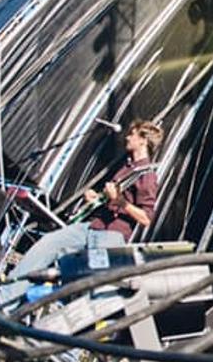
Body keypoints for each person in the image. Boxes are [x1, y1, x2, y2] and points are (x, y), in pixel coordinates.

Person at [10, 119, 162, 280]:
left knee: (90, 283)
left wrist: (120, 201)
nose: (127, 138)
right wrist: (97, 198)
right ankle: (4, 295)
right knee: (49, 244)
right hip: (93, 225)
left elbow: (146, 218)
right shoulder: (128, 167)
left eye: (132, 134)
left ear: (143, 140)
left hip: (111, 236)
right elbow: (113, 199)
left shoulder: (147, 175)